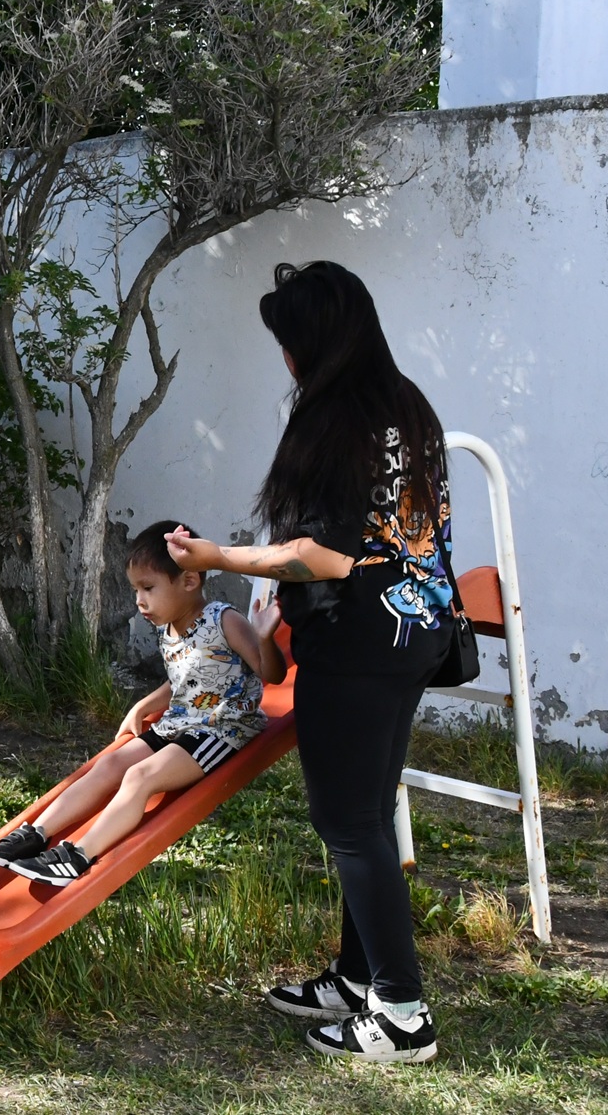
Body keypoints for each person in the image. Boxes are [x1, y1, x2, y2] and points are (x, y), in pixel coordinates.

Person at [164, 260, 456, 1065]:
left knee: (351, 820)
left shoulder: (339, 421)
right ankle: (360, 977)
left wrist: (223, 555)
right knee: (366, 807)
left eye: (290, 341)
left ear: (315, 344)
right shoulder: (407, 406)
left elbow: (324, 556)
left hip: (359, 644)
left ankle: (400, 1011)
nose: (286, 358)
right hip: (413, 633)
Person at [0, 521, 284, 886]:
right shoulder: (167, 627)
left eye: (148, 588)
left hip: (219, 730)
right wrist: (141, 706)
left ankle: (76, 855)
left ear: (189, 581)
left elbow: (272, 674)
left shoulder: (226, 620)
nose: (139, 600)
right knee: (110, 766)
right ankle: (37, 832)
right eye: (136, 589)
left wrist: (265, 638)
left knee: (141, 776)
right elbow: (184, 679)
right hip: (178, 722)